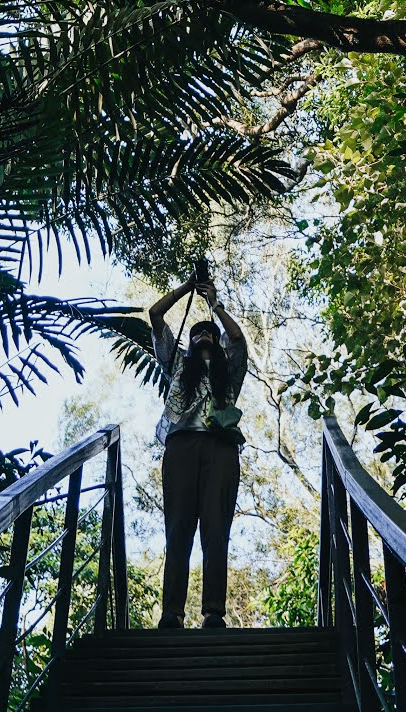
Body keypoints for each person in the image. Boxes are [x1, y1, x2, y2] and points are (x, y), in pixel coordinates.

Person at [148, 270, 248, 630]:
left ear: (216, 343)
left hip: (221, 448)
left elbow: (237, 338)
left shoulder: (228, 372)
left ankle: (213, 612)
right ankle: (172, 612)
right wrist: (187, 287)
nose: (203, 335)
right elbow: (156, 315)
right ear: (189, 344)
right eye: (197, 334)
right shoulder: (177, 364)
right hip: (181, 447)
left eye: (209, 334)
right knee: (178, 528)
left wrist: (214, 303)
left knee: (215, 530)